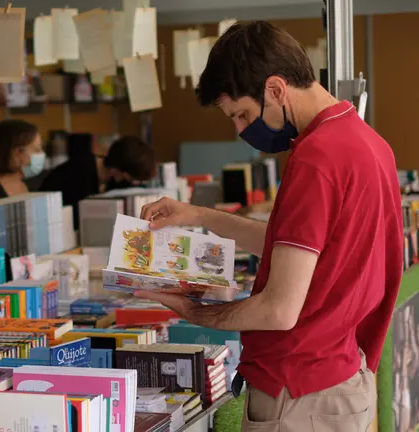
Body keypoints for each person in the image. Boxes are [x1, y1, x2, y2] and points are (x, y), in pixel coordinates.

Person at [135, 21, 401, 431]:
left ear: (275, 89)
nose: (241, 130)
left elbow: (279, 310)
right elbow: (304, 250)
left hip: (299, 393)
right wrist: (199, 216)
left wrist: (195, 312)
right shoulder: (368, 143)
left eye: (242, 114)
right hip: (343, 377)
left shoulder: (317, 157)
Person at [40, 135, 156, 229]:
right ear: (119, 170)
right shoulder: (80, 170)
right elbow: (77, 218)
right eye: (130, 179)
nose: (131, 183)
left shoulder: (115, 180)